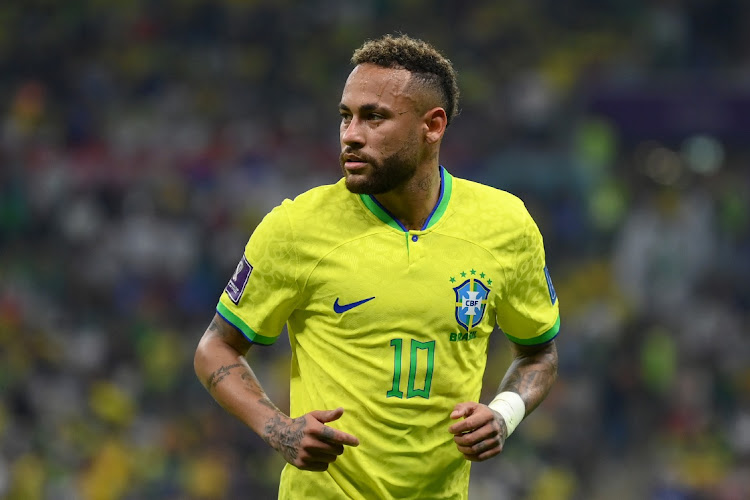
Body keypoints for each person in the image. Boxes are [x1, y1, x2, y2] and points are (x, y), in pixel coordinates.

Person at [194, 34, 560, 499]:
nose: (351, 134)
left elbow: (539, 353)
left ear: (433, 126)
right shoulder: (295, 228)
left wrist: (505, 413)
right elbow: (215, 348)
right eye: (346, 116)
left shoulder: (505, 226)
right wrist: (278, 429)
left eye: (374, 117)